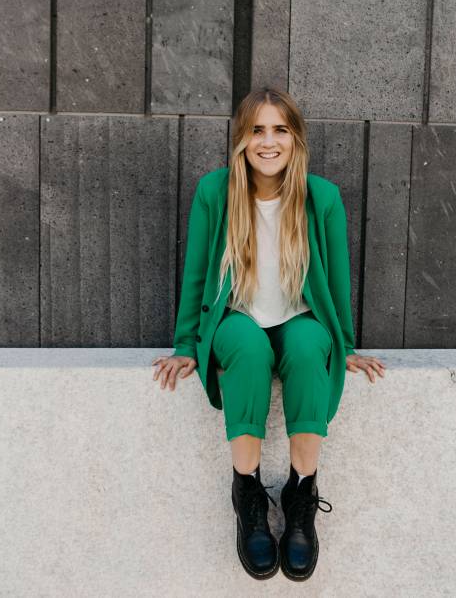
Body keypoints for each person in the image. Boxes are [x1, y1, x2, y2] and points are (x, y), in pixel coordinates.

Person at [151, 86, 386, 581]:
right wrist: (184, 345)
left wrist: (344, 345)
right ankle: (247, 491)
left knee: (305, 351)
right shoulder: (215, 192)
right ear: (241, 138)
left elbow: (338, 280)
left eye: (280, 129)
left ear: (295, 138)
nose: (268, 141)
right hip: (236, 317)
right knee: (250, 350)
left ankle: (301, 491)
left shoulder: (321, 197)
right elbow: (196, 273)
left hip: (301, 317)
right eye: (257, 130)